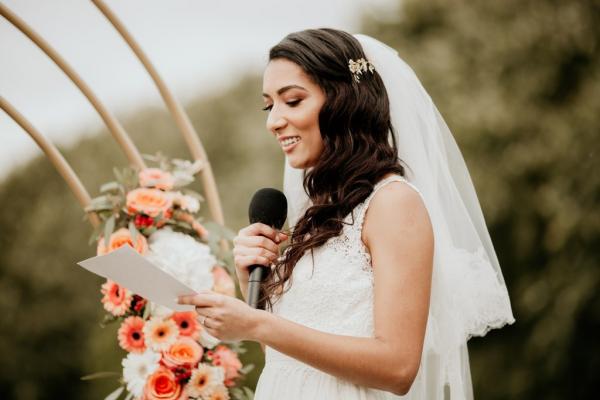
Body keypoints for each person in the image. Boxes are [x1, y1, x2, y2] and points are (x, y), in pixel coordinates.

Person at [179, 28, 515, 399]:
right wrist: (251, 285)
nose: (273, 121)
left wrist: (258, 323)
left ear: (343, 102)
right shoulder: (317, 214)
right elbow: (287, 361)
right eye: (268, 105)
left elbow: (398, 367)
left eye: (291, 101)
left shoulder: (393, 203)